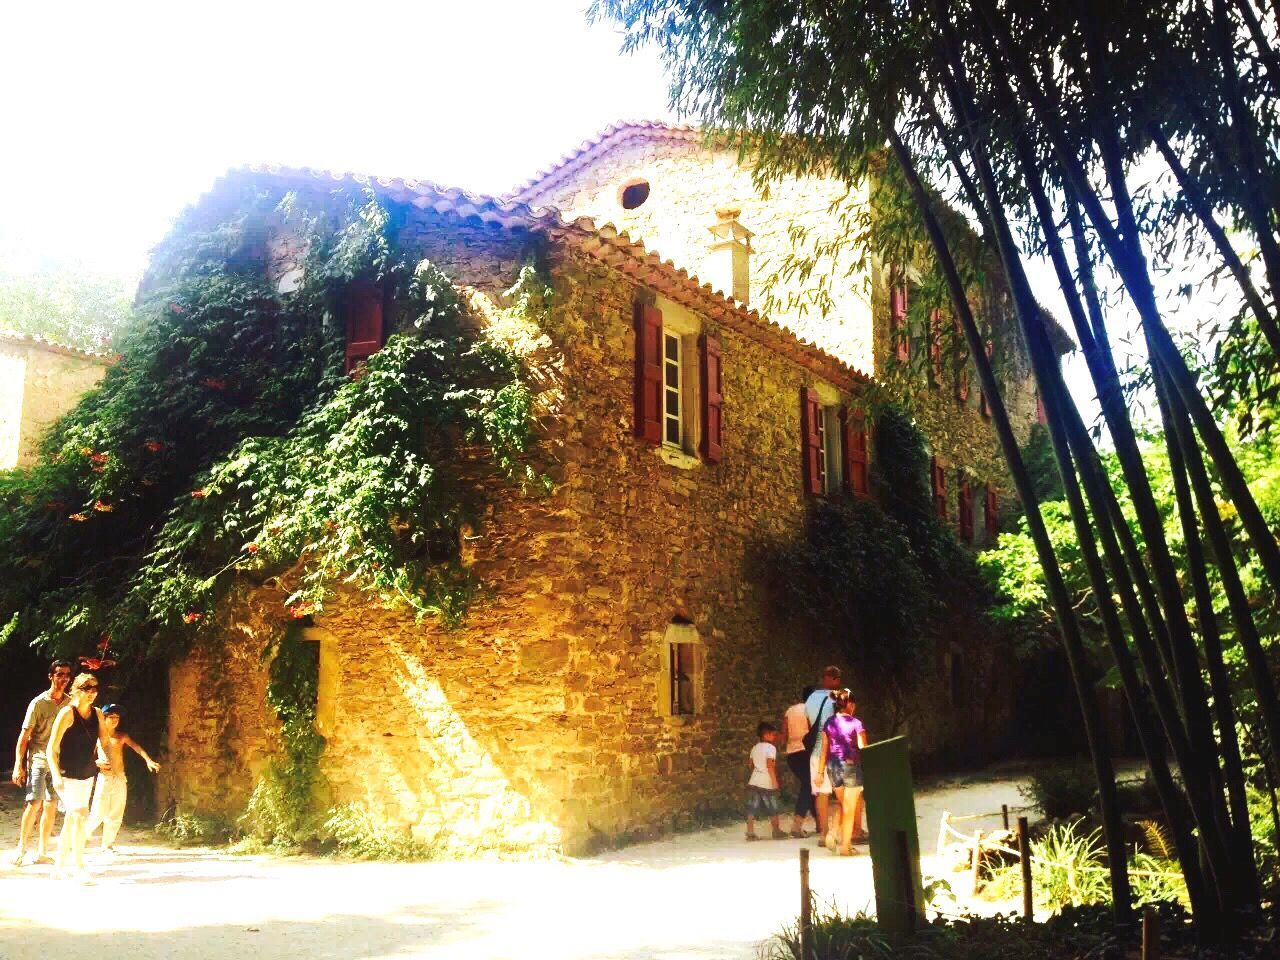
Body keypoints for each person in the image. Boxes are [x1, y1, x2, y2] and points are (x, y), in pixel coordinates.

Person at [10, 659, 73, 866]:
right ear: (51, 676)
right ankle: (21, 848)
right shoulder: (38, 703)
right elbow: (25, 736)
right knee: (34, 803)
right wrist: (19, 764)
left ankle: (42, 851)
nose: (63, 678)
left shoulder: (70, 703)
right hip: (38, 759)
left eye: (66, 675)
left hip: (58, 762)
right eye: (59, 674)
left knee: (51, 805)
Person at [46, 672, 108, 881]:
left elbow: (103, 741)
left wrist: (102, 756)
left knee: (73, 819)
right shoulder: (67, 713)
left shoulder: (98, 713)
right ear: (77, 690)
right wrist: (55, 775)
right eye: (87, 689)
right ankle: (79, 866)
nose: (92, 693)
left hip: (87, 773)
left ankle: (59, 866)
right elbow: (51, 748)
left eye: (95, 688)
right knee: (81, 815)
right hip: (66, 775)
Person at [85, 704, 160, 856]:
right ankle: (81, 837)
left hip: (119, 778)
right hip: (104, 778)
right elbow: (87, 756)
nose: (114, 720)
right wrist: (96, 763)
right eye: (111, 717)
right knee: (97, 812)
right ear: (104, 718)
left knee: (116, 813)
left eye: (117, 718)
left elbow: (136, 747)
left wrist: (148, 760)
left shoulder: (121, 736)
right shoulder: (97, 737)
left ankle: (107, 845)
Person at [816, 689, 868, 856]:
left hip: (833, 767)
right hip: (851, 767)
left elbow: (824, 749)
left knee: (842, 804)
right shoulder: (856, 723)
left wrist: (819, 772)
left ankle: (833, 831)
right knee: (850, 808)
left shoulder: (829, 723)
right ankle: (846, 846)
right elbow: (863, 749)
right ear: (850, 705)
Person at [804, 666, 843, 846]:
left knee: (821, 794)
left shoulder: (811, 698)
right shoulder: (836, 698)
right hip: (833, 752)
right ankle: (843, 832)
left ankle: (823, 833)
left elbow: (809, 723)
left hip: (815, 753)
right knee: (845, 793)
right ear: (834, 679)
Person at [782, 685, 817, 837]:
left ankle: (820, 823)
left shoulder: (790, 710)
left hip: (792, 755)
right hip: (806, 752)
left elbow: (784, 734)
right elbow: (813, 731)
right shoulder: (812, 711)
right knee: (809, 784)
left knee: (809, 785)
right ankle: (797, 824)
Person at [745, 721, 785, 841]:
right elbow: (770, 765)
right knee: (773, 806)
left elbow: (750, 764)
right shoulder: (771, 748)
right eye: (773, 734)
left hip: (754, 780)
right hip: (766, 781)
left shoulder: (754, 748)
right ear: (766, 734)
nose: (774, 737)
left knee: (752, 807)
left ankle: (750, 832)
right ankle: (776, 831)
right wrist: (774, 781)